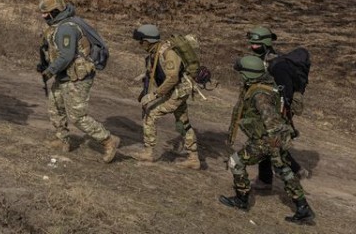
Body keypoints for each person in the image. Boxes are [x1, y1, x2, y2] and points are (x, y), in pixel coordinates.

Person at [221, 55, 315, 224]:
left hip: (266, 140)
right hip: (273, 139)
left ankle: (241, 200)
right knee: (285, 171)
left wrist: (273, 147)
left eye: (242, 72)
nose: (240, 75)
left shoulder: (259, 95)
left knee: (235, 162)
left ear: (249, 74)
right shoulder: (266, 84)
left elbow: (272, 121)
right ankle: (303, 207)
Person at [36, 0, 120, 163]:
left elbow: (66, 56)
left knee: (77, 116)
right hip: (65, 74)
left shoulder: (66, 28)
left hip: (77, 77)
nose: (43, 16)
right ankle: (62, 140)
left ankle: (108, 140)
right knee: (56, 106)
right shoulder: (57, 25)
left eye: (46, 13)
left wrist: (49, 71)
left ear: (55, 11)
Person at [127, 24, 200, 169]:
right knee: (183, 122)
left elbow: (172, 78)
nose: (140, 44)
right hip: (176, 91)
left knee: (151, 114)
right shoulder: (155, 53)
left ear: (147, 41)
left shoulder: (168, 53)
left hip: (177, 92)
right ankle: (193, 158)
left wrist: (154, 95)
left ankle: (148, 152)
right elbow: (154, 72)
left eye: (141, 41)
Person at [246, 26, 308, 188]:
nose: (253, 47)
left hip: (277, 110)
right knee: (266, 141)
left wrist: (279, 116)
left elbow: (284, 95)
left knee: (269, 142)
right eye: (252, 44)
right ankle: (269, 178)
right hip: (265, 107)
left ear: (265, 44)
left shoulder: (277, 65)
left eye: (257, 44)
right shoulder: (263, 61)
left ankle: (290, 174)